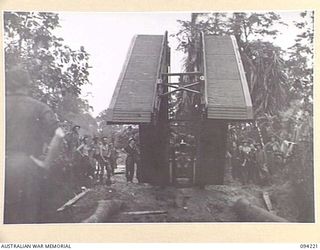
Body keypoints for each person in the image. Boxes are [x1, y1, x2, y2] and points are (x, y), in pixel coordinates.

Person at [5, 66, 59, 224]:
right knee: (29, 216)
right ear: (27, 85)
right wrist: (46, 163)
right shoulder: (39, 107)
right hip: (27, 166)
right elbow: (59, 134)